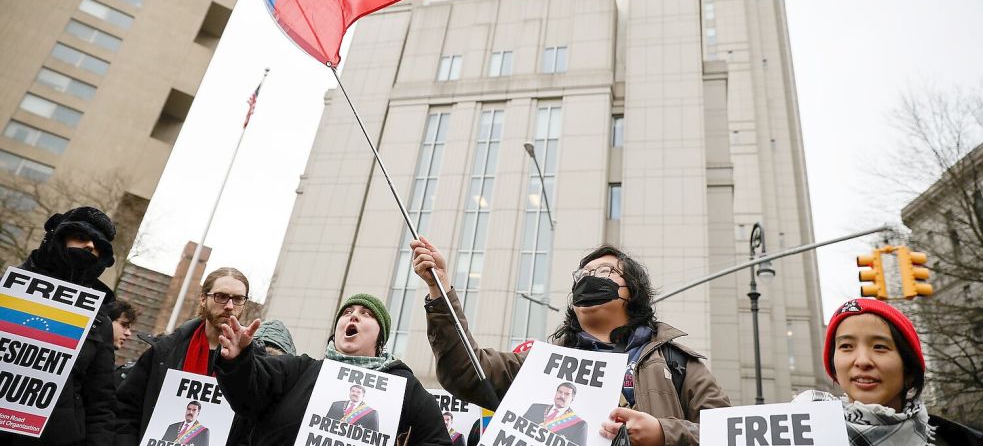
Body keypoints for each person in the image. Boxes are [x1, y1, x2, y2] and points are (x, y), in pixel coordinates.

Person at [411, 238, 730, 446]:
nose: (590, 278)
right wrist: (440, 289)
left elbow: (728, 435)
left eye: (605, 271)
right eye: (583, 274)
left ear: (631, 290)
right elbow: (465, 370)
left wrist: (663, 433)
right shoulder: (541, 362)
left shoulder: (677, 362)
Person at [214, 293, 452, 446]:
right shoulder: (300, 370)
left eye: (366, 314)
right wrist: (238, 360)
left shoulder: (404, 388)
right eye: (347, 313)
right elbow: (250, 392)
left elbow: (436, 440)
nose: (354, 316)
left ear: (380, 340)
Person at [794, 298, 982, 446]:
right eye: (846, 346)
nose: (862, 361)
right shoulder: (799, 432)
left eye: (879, 346)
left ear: (908, 370)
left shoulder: (958, 440)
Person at [1, 207, 117, 446]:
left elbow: (100, 403)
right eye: (82, 237)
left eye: (97, 245)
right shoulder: (5, 291)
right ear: (58, 238)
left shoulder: (99, 320)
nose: (89, 247)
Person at [115, 267, 260, 446]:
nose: (229, 306)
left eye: (238, 299)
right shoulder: (165, 351)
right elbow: (126, 410)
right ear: (203, 299)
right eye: (221, 296)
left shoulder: (256, 365)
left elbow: (254, 429)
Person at [522, 383, 587, 446]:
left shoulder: (579, 424)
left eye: (567, 394)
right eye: (560, 392)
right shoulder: (535, 407)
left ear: (572, 399)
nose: (562, 396)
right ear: (556, 393)